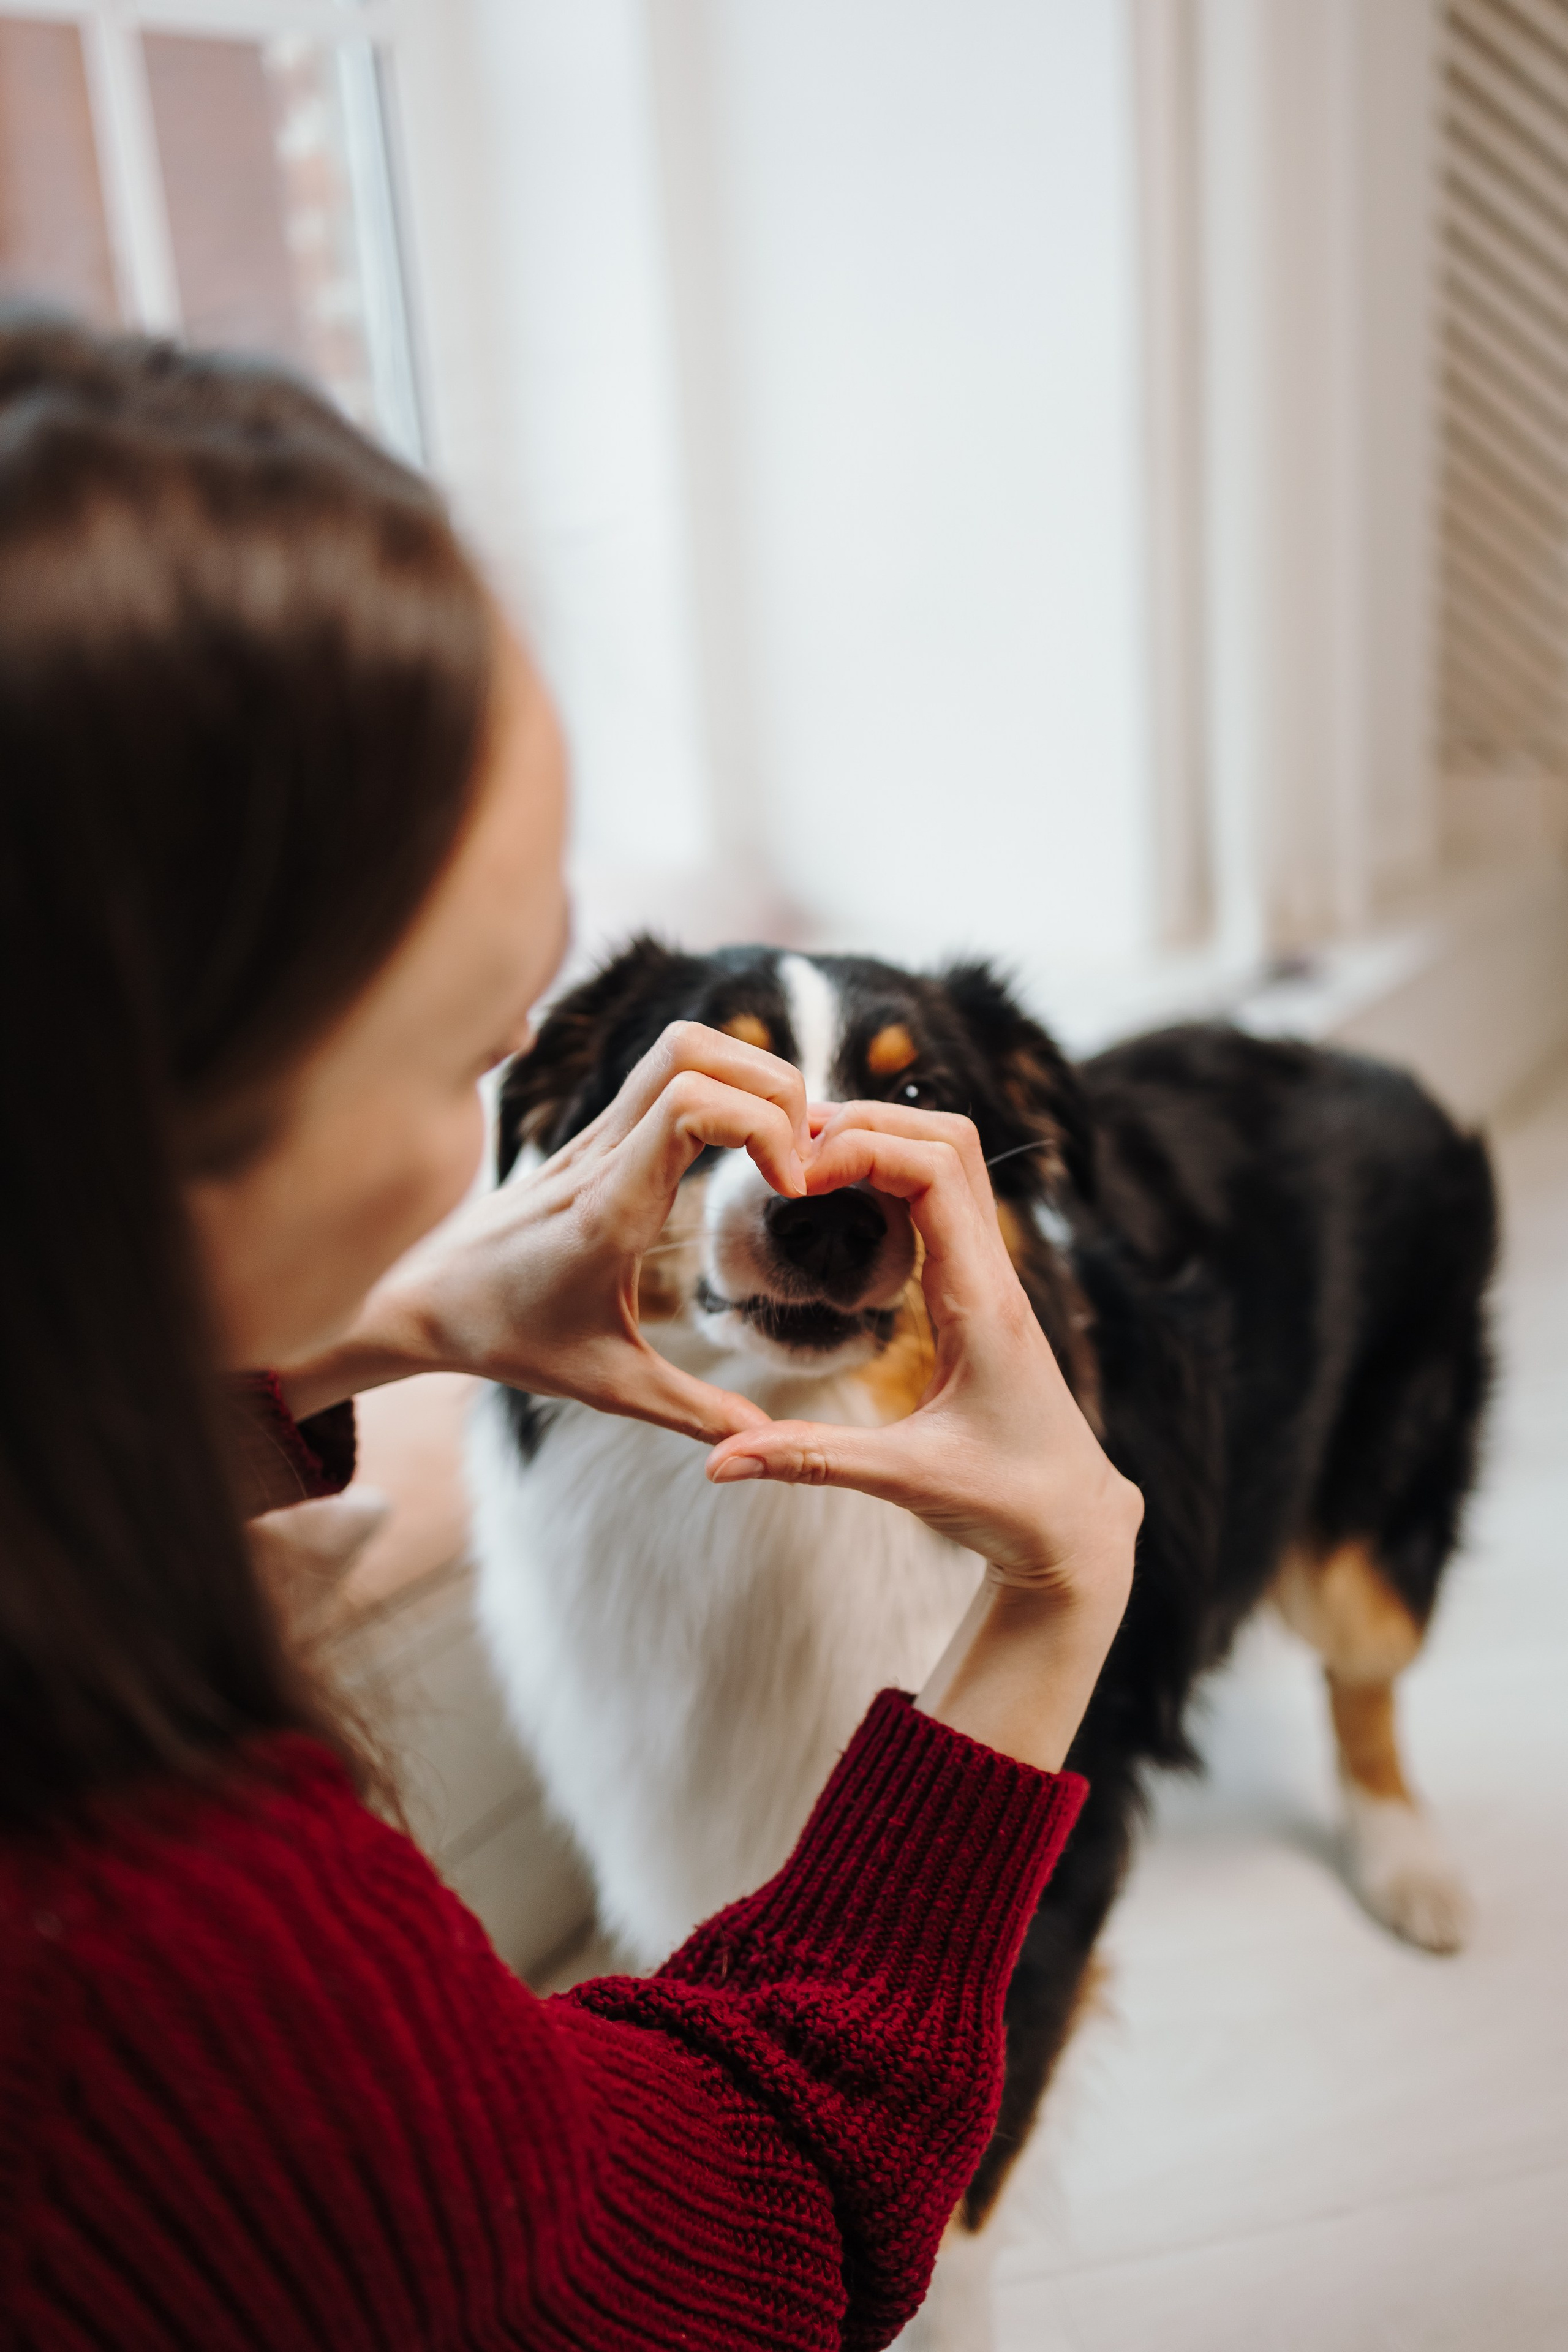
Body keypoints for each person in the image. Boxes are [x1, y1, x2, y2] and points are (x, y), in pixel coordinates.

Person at [0, 320, 1140, 2352]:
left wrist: (353, 1344)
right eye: (477, 1045)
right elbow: (731, 2237)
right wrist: (1059, 1600)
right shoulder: (190, 1965)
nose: (510, 1138)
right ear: (138, 1132)